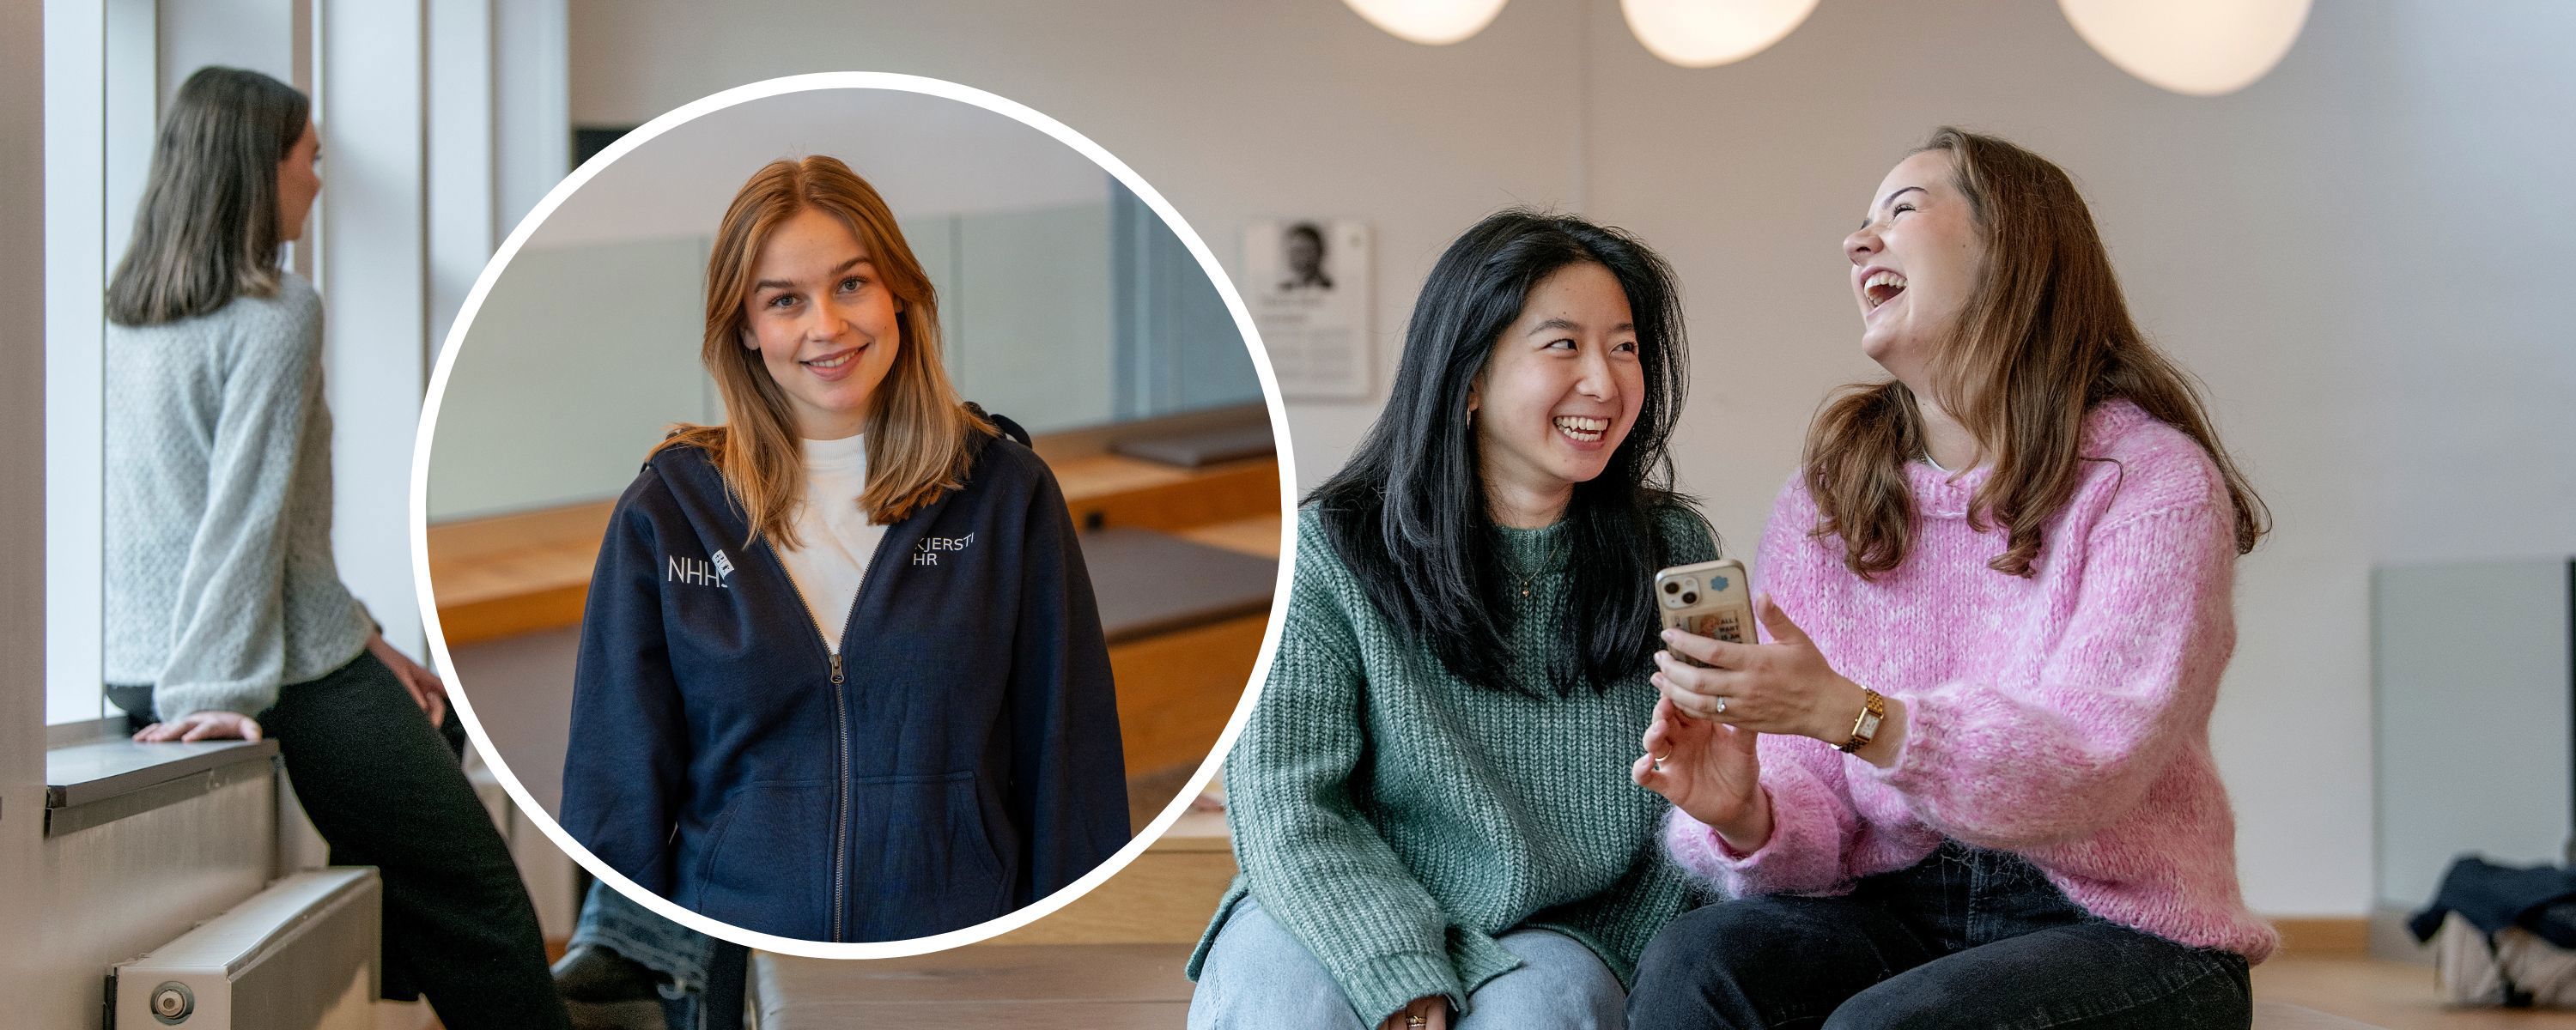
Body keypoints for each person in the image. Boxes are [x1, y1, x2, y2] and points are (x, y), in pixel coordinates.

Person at [1626, 127, 2275, 1028]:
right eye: (1860, 224)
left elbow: (2090, 766)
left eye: (1901, 210)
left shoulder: (2153, 484)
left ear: (2012, 250)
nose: (1859, 243)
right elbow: (1815, 827)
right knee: (1697, 965)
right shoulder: (1830, 498)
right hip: (1902, 910)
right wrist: (1748, 814)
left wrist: (1851, 713)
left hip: (2121, 925)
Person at [558, 155, 1129, 944]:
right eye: (785, 300)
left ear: (898, 292)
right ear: (747, 330)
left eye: (851, 284)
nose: (826, 325)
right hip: (741, 965)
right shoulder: (670, 514)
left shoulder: (1005, 494)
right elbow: (613, 792)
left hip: (961, 957)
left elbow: (1072, 764)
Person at [101, 66, 569, 1029]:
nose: (319, 181)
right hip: (247, 672)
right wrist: (215, 697)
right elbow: (246, 519)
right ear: (258, 168)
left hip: (150, 664)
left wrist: (364, 638)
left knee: (431, 722)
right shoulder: (279, 314)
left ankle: (399, 981)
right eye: (310, 159)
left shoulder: (128, 322)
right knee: (483, 897)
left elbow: (233, 531)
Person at [1189, 209, 1707, 1030]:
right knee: (1285, 1003)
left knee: (1544, 1011)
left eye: (1625, 346)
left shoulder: (1673, 549)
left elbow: (1702, 800)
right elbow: (1286, 800)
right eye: (1563, 344)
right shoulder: (1333, 547)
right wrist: (1394, 958)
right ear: (1468, 377)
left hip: (1564, 930)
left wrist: (1624, 946)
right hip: (1345, 896)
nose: (1605, 383)